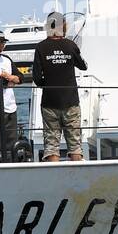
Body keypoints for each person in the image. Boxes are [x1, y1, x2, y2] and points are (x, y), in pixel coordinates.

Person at [32, 16, 88, 161]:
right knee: (75, 144)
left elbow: (37, 78)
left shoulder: (41, 47)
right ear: (63, 26)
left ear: (48, 27)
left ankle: (55, 178)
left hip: (49, 101)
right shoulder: (70, 45)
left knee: (51, 145)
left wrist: (49, 84)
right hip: (70, 100)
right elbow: (83, 66)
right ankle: (76, 179)